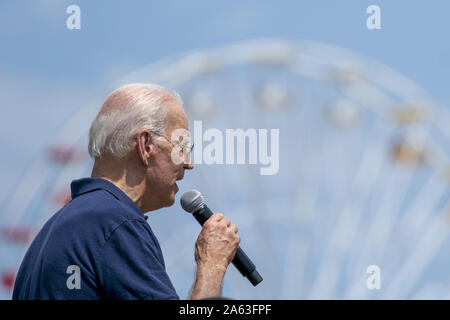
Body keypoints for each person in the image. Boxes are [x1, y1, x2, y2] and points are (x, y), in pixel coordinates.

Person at [12, 83, 240, 300]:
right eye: (182, 147)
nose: (188, 163)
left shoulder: (48, 237)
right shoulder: (115, 223)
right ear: (145, 145)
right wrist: (213, 265)